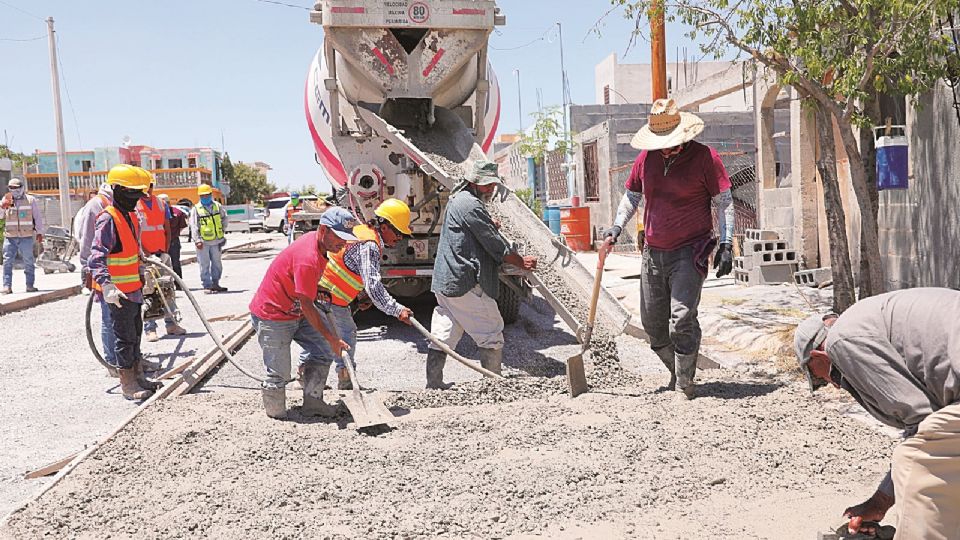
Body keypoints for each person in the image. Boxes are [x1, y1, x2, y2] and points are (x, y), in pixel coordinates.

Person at [794, 288, 960, 539]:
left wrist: (882, 500)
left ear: (817, 355)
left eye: (819, 377)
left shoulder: (841, 341)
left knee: (914, 462)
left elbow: (921, 419)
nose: (830, 383)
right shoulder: (863, 320)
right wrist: (881, 502)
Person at [603, 98, 735, 399]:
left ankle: (685, 384)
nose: (665, 148)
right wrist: (616, 226)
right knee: (653, 325)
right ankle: (678, 372)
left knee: (682, 319)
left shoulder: (705, 158)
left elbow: (724, 202)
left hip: (690, 251)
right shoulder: (645, 159)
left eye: (671, 143)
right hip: (653, 252)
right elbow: (631, 197)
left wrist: (727, 244)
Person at [426, 160, 538, 389]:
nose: (492, 190)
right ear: (475, 182)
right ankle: (493, 385)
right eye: (488, 186)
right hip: (463, 282)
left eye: (493, 186)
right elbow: (495, 245)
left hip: (446, 281)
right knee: (491, 331)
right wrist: (521, 262)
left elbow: (475, 229)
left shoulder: (459, 200)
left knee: (443, 334)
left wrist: (488, 224)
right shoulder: (469, 205)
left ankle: (434, 385)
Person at [249, 207, 358, 419]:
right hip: (273, 314)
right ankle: (276, 416)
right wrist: (333, 338)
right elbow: (307, 305)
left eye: (346, 238)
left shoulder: (319, 246)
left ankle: (313, 403)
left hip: (295, 310)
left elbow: (303, 288)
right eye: (339, 237)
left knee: (323, 351)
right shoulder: (308, 257)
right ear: (324, 230)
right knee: (279, 372)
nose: (343, 243)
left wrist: (316, 289)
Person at [318, 198, 415, 389]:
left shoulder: (364, 232)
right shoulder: (369, 244)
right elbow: (373, 284)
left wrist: (361, 295)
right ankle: (345, 381)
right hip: (329, 296)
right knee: (345, 334)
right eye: (398, 232)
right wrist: (397, 310)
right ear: (385, 226)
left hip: (324, 291)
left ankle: (305, 378)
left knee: (320, 336)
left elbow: (352, 268)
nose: (400, 238)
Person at [88, 165, 157, 400]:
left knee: (136, 333)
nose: (136, 199)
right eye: (131, 194)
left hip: (134, 289)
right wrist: (107, 286)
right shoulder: (108, 219)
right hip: (118, 293)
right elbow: (95, 257)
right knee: (124, 337)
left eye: (138, 194)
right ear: (116, 190)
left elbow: (130, 250)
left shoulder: (130, 216)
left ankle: (138, 376)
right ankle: (127, 384)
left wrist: (142, 262)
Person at [75, 179, 118, 376]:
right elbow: (87, 239)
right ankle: (112, 362)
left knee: (124, 318)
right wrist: (86, 268)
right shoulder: (96, 206)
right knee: (109, 317)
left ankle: (126, 358)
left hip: (120, 272)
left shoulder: (115, 204)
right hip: (102, 271)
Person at [137, 178, 186, 341]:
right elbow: (135, 232)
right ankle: (150, 328)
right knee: (148, 291)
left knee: (167, 288)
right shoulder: (135, 205)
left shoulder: (160, 204)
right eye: (144, 187)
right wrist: (144, 253)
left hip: (161, 253)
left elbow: (166, 228)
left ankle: (171, 323)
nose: (147, 190)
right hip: (145, 256)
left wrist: (165, 250)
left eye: (149, 186)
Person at [1, 177, 44, 294]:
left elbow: (37, 217)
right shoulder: (7, 200)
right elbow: (0, 216)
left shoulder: (30, 200)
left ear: (21, 188)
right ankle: (7, 286)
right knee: (7, 262)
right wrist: (2, 206)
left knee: (29, 261)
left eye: (16, 188)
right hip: (10, 237)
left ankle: (30, 285)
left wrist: (40, 232)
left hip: (26, 236)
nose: (14, 190)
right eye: (11, 188)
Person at [189, 184, 228, 293]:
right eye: (202, 196)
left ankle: (216, 283)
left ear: (211, 195)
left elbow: (224, 219)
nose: (205, 197)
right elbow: (194, 225)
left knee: (217, 263)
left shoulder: (217, 206)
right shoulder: (196, 209)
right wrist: (197, 240)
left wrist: (221, 231)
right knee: (204, 264)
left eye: (207, 195)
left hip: (217, 241)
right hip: (203, 242)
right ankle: (207, 285)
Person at [157, 194, 188, 279]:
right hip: (159, 242)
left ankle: (178, 283)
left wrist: (174, 233)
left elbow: (182, 226)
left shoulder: (177, 212)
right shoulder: (156, 213)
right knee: (160, 264)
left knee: (175, 263)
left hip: (173, 241)